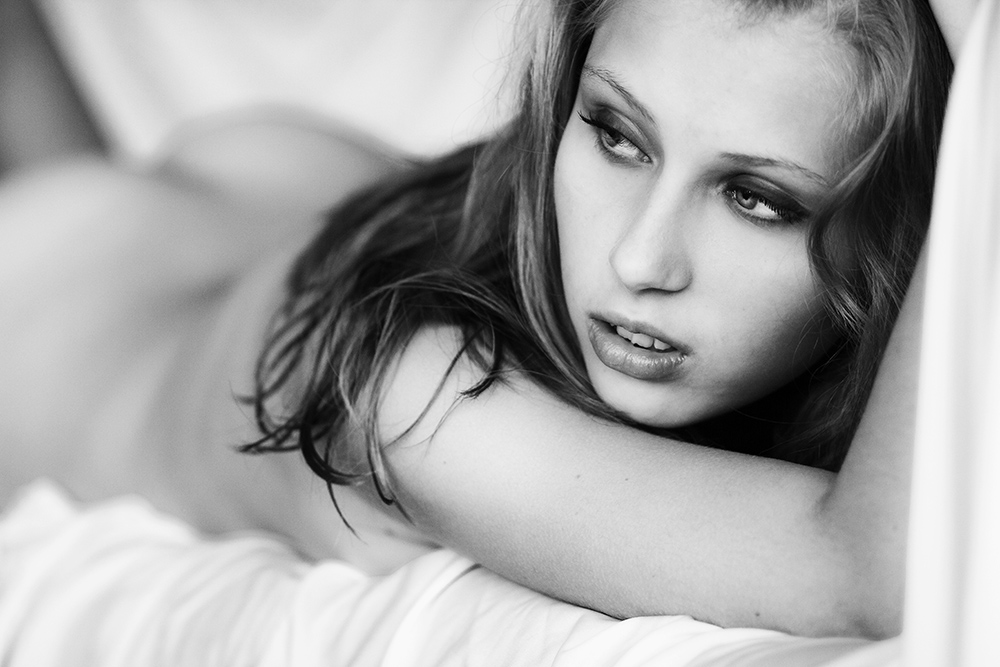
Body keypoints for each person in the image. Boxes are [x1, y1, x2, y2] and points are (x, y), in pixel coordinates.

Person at [0, 0, 952, 642]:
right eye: (617, 134)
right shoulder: (422, 397)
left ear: (899, 232)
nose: (639, 261)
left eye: (755, 200)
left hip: (293, 187)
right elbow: (860, 572)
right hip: (52, 311)